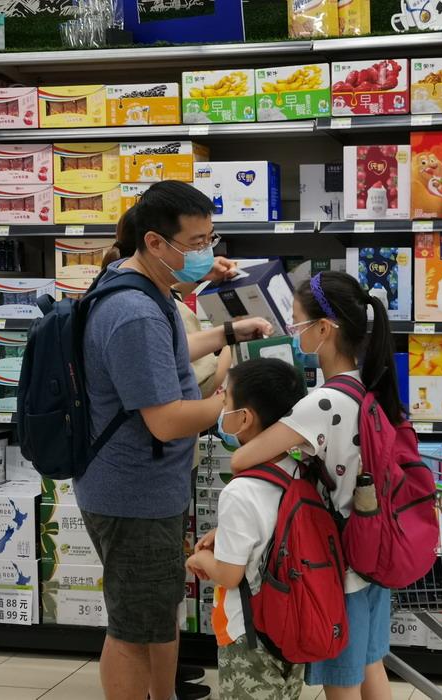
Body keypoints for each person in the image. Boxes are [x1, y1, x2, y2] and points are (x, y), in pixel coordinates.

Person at [77, 181, 273, 700]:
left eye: (211, 238)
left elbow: (165, 353)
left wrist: (228, 333)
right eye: (196, 242)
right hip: (132, 494)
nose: (207, 252)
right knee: (133, 630)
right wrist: (231, 406)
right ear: (155, 242)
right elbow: (165, 421)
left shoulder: (141, 284)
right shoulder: (135, 311)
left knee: (155, 614)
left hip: (145, 487)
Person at [227, 271, 401, 700]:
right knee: (371, 665)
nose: (293, 331)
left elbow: (241, 457)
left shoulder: (322, 402)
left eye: (297, 322)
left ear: (324, 329)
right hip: (373, 548)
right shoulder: (366, 384)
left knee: (341, 682)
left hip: (339, 565)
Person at [186, 358, 308, 700]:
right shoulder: (297, 470)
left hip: (248, 633)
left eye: (225, 400)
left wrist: (200, 561)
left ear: (244, 418)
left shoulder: (239, 491)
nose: (221, 407)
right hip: (291, 620)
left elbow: (229, 575)